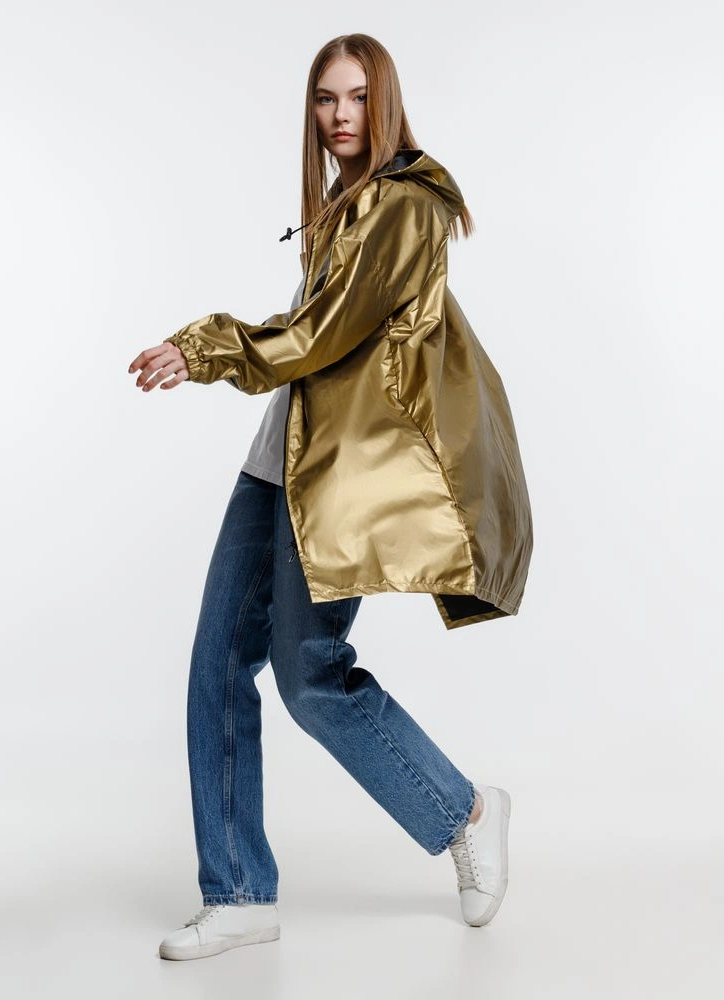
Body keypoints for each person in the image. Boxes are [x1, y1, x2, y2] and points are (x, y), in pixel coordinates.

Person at [128, 33, 532, 962]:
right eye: (325, 98)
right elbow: (319, 339)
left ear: (385, 102)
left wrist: (205, 348)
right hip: (279, 462)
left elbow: (319, 335)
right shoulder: (346, 204)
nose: (341, 115)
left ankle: (465, 811)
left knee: (310, 676)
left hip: (339, 476)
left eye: (357, 97)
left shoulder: (404, 205)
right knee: (216, 668)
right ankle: (238, 894)